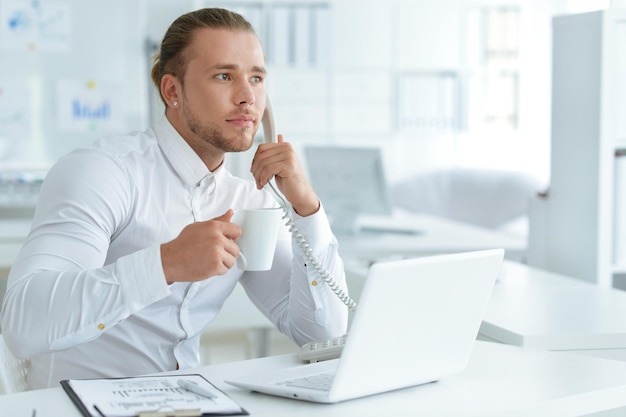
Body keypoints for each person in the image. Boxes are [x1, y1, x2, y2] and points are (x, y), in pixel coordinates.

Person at [0, 8, 349, 390]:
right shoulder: (103, 172)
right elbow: (24, 322)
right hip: (77, 405)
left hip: (184, 402)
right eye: (224, 76)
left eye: (256, 78)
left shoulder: (251, 198)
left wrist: (306, 209)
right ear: (172, 91)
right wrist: (163, 264)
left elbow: (322, 337)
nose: (248, 97)